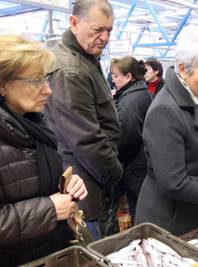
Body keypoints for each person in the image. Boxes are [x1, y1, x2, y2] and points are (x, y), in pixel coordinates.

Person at [135, 25, 198, 236]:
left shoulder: (193, 98)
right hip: (169, 218)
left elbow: (188, 142)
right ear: (182, 68)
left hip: (188, 211)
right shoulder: (165, 110)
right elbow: (173, 181)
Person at [0, 35, 88, 266]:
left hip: (50, 251)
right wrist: (48, 209)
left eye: (45, 78)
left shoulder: (32, 124)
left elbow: (34, 184)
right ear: (2, 84)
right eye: (35, 80)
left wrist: (67, 185)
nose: (48, 90)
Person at [44, 0, 122, 239]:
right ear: (74, 23)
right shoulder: (70, 71)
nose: (105, 37)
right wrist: (116, 174)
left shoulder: (84, 59)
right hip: (85, 185)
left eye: (109, 30)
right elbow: (87, 141)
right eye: (98, 29)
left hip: (91, 180)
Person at [111, 56, 152, 221]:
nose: (113, 80)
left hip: (136, 163)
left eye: (116, 76)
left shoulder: (130, 101)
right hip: (143, 160)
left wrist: (117, 156)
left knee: (139, 209)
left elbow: (128, 137)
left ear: (128, 77)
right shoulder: (141, 93)